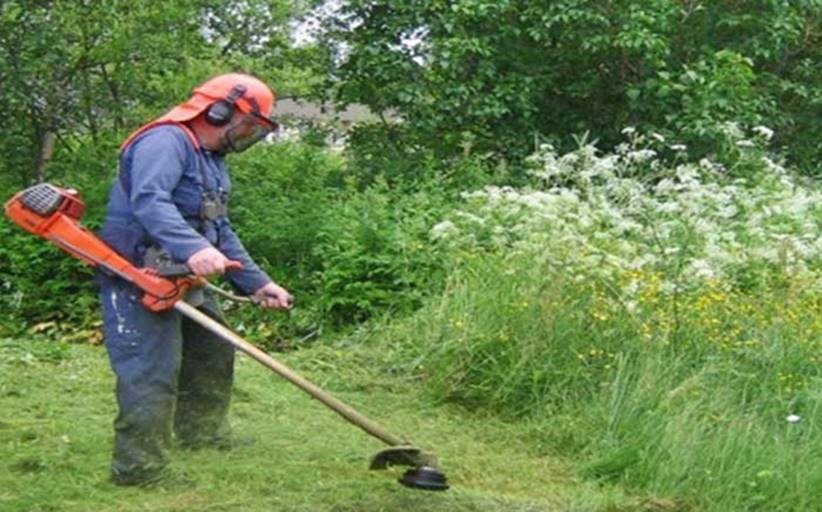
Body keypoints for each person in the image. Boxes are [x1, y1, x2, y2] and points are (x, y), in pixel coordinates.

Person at [98, 72, 293, 486]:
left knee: (213, 350)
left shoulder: (210, 160)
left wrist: (258, 283)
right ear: (219, 110)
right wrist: (195, 248)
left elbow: (219, 230)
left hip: (182, 274)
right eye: (249, 125)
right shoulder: (164, 142)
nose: (248, 136)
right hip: (139, 274)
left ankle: (201, 435)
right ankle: (139, 469)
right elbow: (150, 200)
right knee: (151, 370)